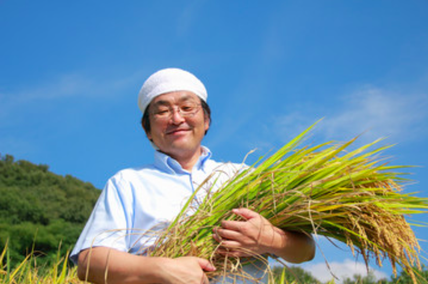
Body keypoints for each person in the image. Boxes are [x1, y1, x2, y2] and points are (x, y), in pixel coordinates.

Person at [70, 68, 315, 284]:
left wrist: (269, 239)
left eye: (187, 108)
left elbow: (306, 250)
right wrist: (162, 269)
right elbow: (90, 263)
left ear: (206, 120)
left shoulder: (245, 178)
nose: (177, 118)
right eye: (162, 111)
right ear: (148, 131)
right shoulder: (128, 183)